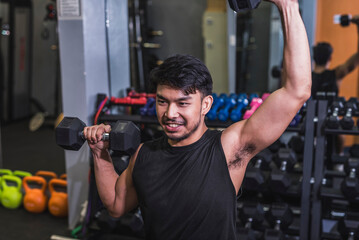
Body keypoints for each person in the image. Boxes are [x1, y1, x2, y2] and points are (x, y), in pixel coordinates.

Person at [83, 0, 311, 239]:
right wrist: (100, 153)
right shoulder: (144, 154)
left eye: (182, 103)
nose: (170, 114)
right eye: (163, 101)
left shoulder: (228, 148)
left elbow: (297, 91)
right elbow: (117, 205)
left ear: (206, 105)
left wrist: (287, 6)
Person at [311, 15, 359, 99]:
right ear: (330, 58)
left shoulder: (306, 79)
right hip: (330, 112)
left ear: (313, 57)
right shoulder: (337, 74)